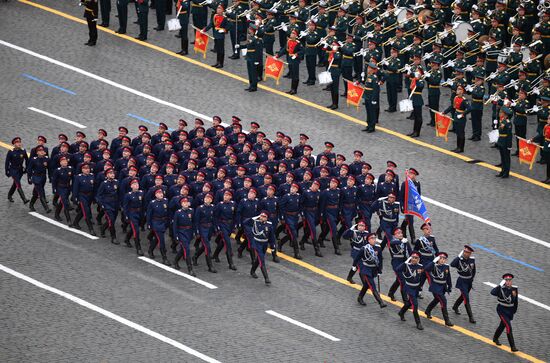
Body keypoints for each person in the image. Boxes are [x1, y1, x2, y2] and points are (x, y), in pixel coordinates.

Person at [352, 232, 387, 308]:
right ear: (368, 240)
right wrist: (354, 266)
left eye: (375, 238)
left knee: (366, 285)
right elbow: (357, 258)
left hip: (374, 269)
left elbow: (380, 259)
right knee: (372, 285)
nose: (374, 240)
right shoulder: (364, 248)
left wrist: (379, 270)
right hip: (366, 269)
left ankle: (360, 297)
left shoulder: (378, 247)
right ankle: (380, 302)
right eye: (372, 238)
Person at [243, 211, 276, 284]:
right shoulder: (255, 222)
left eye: (264, 217)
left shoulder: (269, 225)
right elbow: (245, 222)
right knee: (261, 260)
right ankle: (266, 278)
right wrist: (255, 217)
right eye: (261, 216)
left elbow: (271, 237)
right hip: (257, 243)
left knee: (259, 259)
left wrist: (272, 246)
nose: (262, 218)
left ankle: (252, 271)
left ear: (267, 218)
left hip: (264, 244)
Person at [423, 252, 454, 326]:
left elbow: (448, 277)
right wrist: (433, 261)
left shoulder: (446, 266)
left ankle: (427, 311)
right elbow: (426, 269)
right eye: (441, 258)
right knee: (443, 301)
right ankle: (447, 320)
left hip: (442, 287)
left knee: (437, 299)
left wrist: (449, 286)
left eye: (444, 259)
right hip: (435, 287)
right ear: (437, 259)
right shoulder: (433, 266)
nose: (443, 260)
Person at [397, 251, 425, 330]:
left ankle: (401, 312)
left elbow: (422, 277)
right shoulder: (406, 266)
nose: (414, 259)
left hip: (416, 288)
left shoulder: (421, 266)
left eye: (416, 258)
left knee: (409, 303)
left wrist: (420, 287)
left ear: (418, 259)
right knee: (415, 305)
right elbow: (397, 269)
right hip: (409, 287)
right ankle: (418, 323)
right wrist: (405, 263)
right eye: (412, 257)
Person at [491, 273, 519, 352]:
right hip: (501, 310)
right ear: (504, 281)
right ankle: (513, 346)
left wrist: (514, 311)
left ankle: (495, 338)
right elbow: (492, 292)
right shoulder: (501, 288)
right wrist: (499, 285)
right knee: (508, 326)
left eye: (510, 280)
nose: (508, 282)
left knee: (502, 325)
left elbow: (516, 301)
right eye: (506, 280)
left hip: (510, 311)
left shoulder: (514, 289)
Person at [451, 244, 477, 324]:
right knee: (466, 298)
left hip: (468, 281)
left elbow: (474, 270)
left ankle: (455, 306)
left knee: (463, 296)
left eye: (467, 252)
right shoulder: (459, 260)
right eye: (464, 251)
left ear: (470, 254)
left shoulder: (472, 260)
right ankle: (471, 317)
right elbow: (452, 264)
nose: (465, 253)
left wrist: (471, 279)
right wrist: (458, 256)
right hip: (462, 281)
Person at [192, 193, 217, 272]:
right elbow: (196, 221)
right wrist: (197, 231)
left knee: (204, 246)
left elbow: (214, 219)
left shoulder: (213, 207)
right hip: (202, 228)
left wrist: (215, 229)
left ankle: (195, 256)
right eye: (206, 198)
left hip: (209, 228)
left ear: (211, 200)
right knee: (207, 247)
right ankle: (210, 266)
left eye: (209, 198)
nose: (207, 199)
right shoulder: (200, 208)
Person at [443, 84, 471, 153]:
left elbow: (470, 108)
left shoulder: (464, 100)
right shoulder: (455, 98)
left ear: (462, 91)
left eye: (459, 89)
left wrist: (463, 114)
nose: (457, 90)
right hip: (456, 116)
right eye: (457, 89)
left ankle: (461, 148)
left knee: (461, 133)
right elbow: (452, 107)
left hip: (461, 118)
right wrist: (444, 112)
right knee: (457, 132)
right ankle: (458, 147)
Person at [146, 188, 171, 266]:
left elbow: (168, 211)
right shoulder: (152, 203)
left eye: (162, 193)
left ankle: (150, 250)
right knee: (161, 240)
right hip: (156, 223)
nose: (161, 194)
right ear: (156, 195)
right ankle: (164, 258)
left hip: (164, 222)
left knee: (157, 239)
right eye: (159, 193)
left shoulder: (166, 201)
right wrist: (149, 224)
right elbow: (149, 214)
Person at [172, 197, 196, 275]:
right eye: (184, 203)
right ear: (181, 204)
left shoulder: (191, 211)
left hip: (189, 232)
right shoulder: (178, 212)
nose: (186, 204)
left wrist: (194, 232)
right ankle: (190, 268)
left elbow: (193, 223)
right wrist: (176, 235)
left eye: (187, 202)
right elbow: (175, 225)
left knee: (183, 249)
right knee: (187, 250)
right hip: (181, 232)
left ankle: (175, 260)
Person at [71, 163, 97, 235]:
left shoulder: (92, 176)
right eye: (85, 169)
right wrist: (75, 198)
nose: (87, 170)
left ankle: (75, 222)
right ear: (82, 170)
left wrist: (94, 197)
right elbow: (75, 189)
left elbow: (94, 187)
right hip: (82, 196)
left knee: (83, 211)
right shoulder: (78, 177)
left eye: (88, 169)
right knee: (86, 212)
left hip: (90, 196)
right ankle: (91, 229)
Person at [96, 168, 120, 244]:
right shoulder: (104, 183)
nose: (112, 175)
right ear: (107, 175)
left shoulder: (117, 182)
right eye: (110, 173)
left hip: (115, 204)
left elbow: (119, 193)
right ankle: (114, 237)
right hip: (107, 205)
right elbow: (99, 196)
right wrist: (102, 205)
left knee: (112, 220)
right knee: (111, 220)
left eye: (113, 173)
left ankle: (103, 228)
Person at [277, 29, 303, 95]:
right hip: (290, 59)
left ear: (296, 35)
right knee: (292, 74)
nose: (291, 34)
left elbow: (302, 51)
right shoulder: (289, 41)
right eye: (291, 33)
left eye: (293, 33)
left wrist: (296, 54)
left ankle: (294, 89)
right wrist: (277, 55)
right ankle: (292, 89)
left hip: (295, 60)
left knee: (295, 75)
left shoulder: (298, 43)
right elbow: (284, 50)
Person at [122, 178, 145, 254]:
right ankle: (138, 248)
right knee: (136, 231)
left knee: (134, 229)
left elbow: (144, 203)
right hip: (132, 213)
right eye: (134, 184)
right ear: (131, 186)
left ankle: (127, 239)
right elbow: (125, 207)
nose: (136, 185)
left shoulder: (141, 193)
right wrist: (126, 216)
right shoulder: (128, 195)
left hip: (140, 213)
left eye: (137, 184)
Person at [27, 146, 51, 213]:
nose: (42, 152)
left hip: (43, 178)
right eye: (40, 151)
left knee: (35, 193)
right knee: (41, 192)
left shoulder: (47, 159)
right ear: (37, 152)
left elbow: (49, 168)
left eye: (42, 151)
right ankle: (46, 208)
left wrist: (50, 177)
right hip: (36, 178)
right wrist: (29, 178)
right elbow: (29, 170)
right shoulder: (33, 160)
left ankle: (31, 204)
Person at [5, 137, 29, 204]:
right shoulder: (11, 152)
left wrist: (26, 169)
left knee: (15, 184)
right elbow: (7, 162)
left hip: (20, 170)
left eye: (19, 142)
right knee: (18, 184)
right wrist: (7, 171)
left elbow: (27, 160)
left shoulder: (23, 151)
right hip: (13, 170)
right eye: (17, 142)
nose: (19, 143)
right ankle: (24, 199)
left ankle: (9, 195)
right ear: (14, 144)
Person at [51, 156, 74, 223]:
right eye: (63, 162)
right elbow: (54, 181)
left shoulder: (70, 169)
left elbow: (73, 178)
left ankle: (56, 214)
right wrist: (54, 189)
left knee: (62, 202)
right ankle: (69, 220)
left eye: (66, 161)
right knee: (65, 203)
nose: (65, 162)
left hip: (68, 187)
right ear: (60, 163)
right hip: (61, 188)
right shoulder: (57, 170)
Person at [495, 107, 513, 178]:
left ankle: (506, 172)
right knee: (502, 157)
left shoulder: (508, 123)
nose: (500, 114)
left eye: (501, 113)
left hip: (505, 142)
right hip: (501, 140)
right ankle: (502, 171)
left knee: (506, 158)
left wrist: (509, 145)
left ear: (505, 115)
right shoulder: (502, 121)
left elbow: (509, 135)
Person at [245, 25, 263, 92]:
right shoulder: (250, 37)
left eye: (250, 29)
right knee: (250, 72)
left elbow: (258, 51)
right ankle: (250, 85)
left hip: (253, 58)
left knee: (254, 73)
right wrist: (240, 46)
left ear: (252, 30)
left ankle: (254, 87)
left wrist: (257, 60)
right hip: (249, 57)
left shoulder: (256, 39)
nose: (249, 30)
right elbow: (247, 46)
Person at [326, 40, 343, 110]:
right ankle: (333, 103)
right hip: (331, 70)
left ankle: (336, 104)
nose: (332, 46)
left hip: (336, 71)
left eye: (334, 45)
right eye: (332, 45)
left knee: (335, 88)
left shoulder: (338, 53)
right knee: (332, 88)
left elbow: (336, 58)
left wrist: (333, 51)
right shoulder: (332, 53)